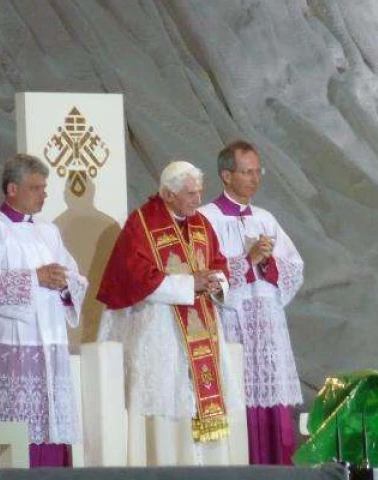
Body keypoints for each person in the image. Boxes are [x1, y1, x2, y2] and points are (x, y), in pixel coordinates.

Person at [97, 161, 238, 465]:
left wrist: (217, 282)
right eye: (191, 194)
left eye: (199, 192)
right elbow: (135, 276)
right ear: (169, 194)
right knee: (166, 406)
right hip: (161, 331)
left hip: (202, 326)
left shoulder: (201, 223)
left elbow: (218, 262)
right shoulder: (142, 224)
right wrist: (189, 284)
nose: (198, 199)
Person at [0, 153, 88, 467]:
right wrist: (36, 278)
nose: (43, 195)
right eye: (35, 188)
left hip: (49, 342)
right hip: (10, 346)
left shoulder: (48, 231)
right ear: (12, 189)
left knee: (50, 429)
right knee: (15, 435)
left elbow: (73, 275)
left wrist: (64, 282)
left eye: (44, 188)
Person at [199, 140, 304, 465]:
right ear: (226, 175)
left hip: (268, 330)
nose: (255, 179)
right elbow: (203, 277)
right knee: (238, 408)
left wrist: (268, 263)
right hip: (231, 327)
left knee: (274, 410)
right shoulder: (205, 219)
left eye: (258, 171)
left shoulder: (265, 219)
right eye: (247, 172)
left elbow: (294, 269)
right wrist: (247, 261)